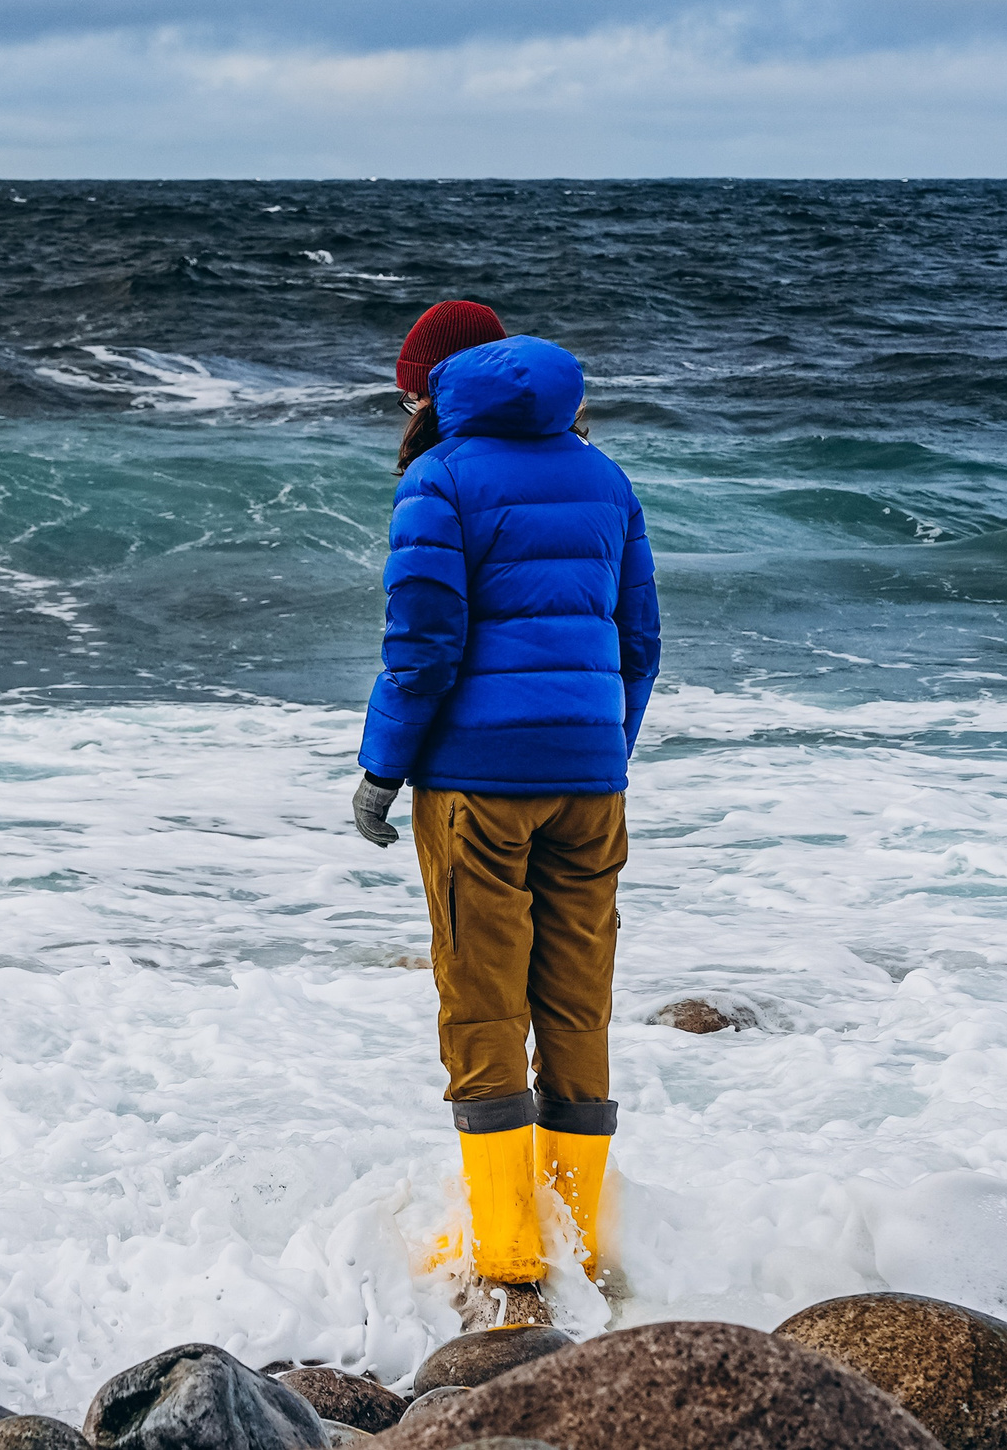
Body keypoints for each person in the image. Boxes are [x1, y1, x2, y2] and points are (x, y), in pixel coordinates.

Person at [352, 299, 660, 1311]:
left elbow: (423, 647)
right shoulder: (605, 477)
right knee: (576, 998)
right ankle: (579, 1233)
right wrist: (597, 748)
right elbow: (639, 642)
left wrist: (380, 769)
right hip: (588, 777)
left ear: (435, 390)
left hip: (478, 782)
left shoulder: (439, 480)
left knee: (482, 996)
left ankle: (512, 1246)